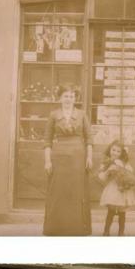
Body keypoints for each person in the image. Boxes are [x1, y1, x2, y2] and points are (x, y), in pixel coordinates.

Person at [43, 83, 93, 235]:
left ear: (75, 98)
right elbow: (47, 140)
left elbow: (89, 138)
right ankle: (56, 227)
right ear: (60, 98)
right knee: (58, 191)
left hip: (78, 156)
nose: (68, 99)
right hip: (58, 157)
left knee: (77, 191)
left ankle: (77, 228)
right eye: (65, 96)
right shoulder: (53, 115)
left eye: (71, 96)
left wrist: (89, 157)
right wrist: (47, 161)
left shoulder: (82, 114)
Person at [98, 140, 135, 236]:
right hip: (112, 188)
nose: (115, 153)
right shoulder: (106, 162)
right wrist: (108, 170)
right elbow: (101, 177)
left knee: (122, 212)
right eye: (113, 150)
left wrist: (122, 167)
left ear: (122, 153)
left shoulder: (123, 162)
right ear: (110, 149)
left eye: (118, 151)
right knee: (111, 211)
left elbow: (130, 171)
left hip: (122, 189)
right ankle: (106, 231)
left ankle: (121, 232)